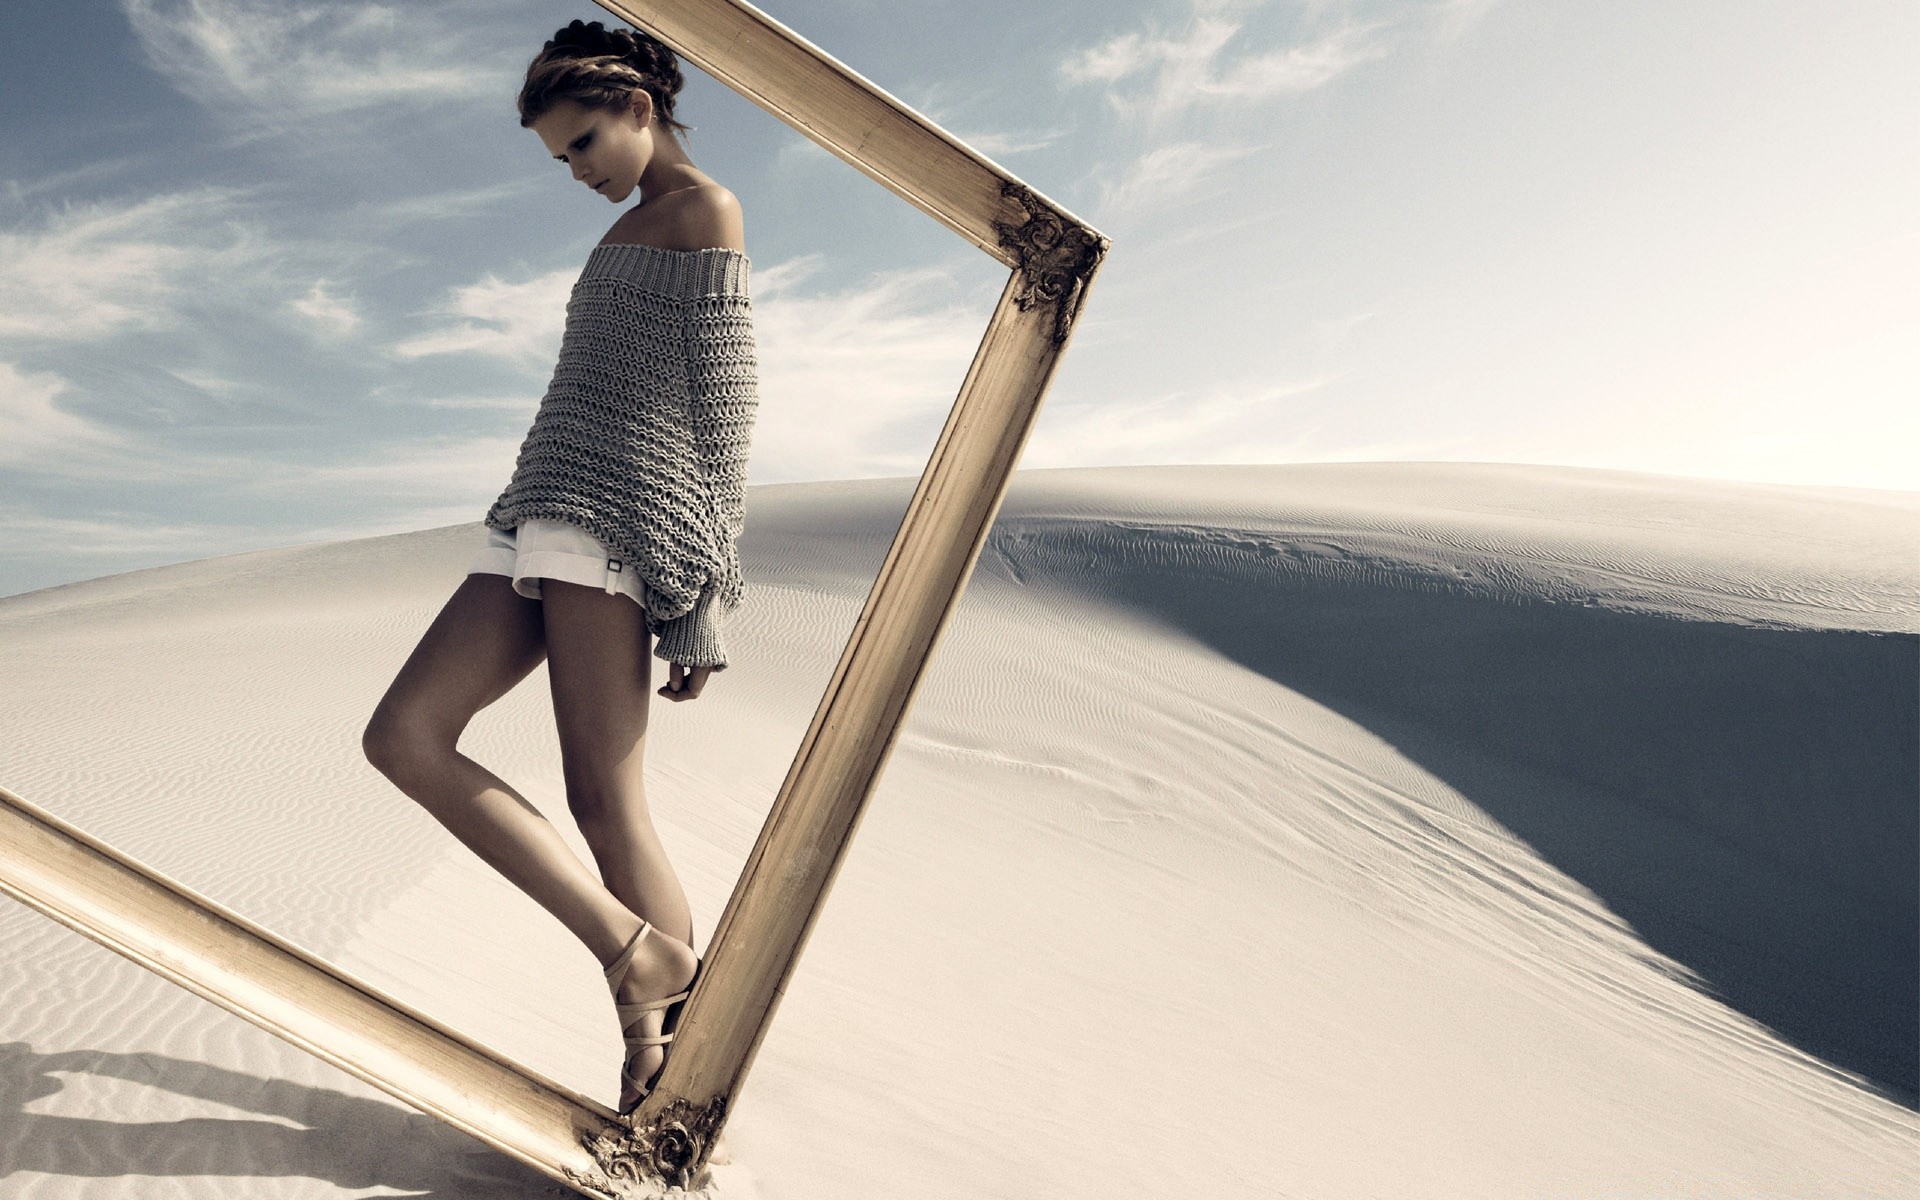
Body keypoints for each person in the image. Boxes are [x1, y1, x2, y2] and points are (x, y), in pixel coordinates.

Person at [360, 18, 759, 1117]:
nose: (577, 171)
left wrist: (705, 599)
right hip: (534, 513)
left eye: (583, 143)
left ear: (639, 106)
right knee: (401, 736)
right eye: (561, 157)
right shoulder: (638, 223)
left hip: (614, 524)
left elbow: (725, 415)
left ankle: (671, 1084)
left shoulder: (702, 213)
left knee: (605, 800)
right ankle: (637, 954)